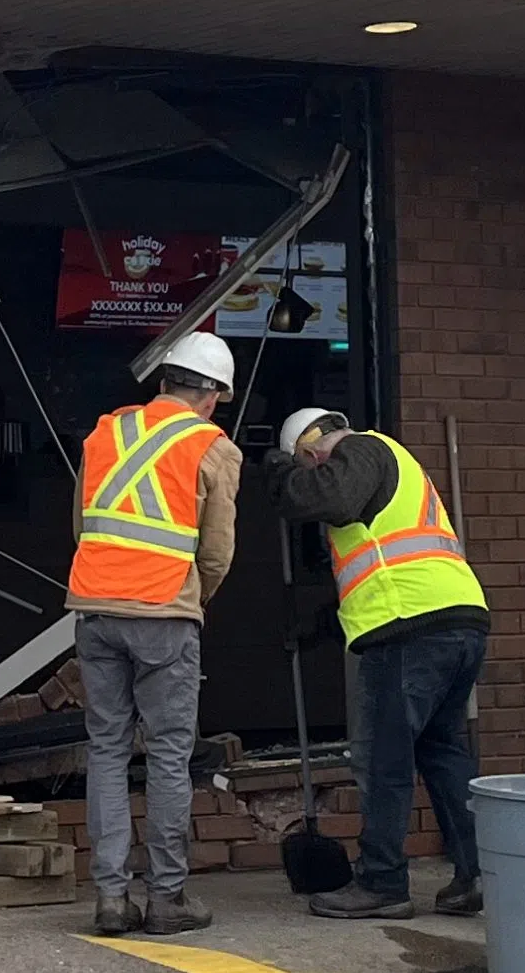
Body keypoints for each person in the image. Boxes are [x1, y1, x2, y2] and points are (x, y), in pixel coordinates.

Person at [276, 408, 489, 921]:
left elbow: (331, 498)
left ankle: (383, 882)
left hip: (408, 626)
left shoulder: (360, 449)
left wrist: (278, 476)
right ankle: (477, 872)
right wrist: (324, 623)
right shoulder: (392, 466)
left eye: (304, 465)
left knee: (383, 759)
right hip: (455, 620)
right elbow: (379, 561)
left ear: (310, 449)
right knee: (443, 752)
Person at [66, 328, 243, 937]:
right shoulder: (211, 446)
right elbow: (216, 553)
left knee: (107, 751)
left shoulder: (105, 432)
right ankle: (167, 897)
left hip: (95, 606)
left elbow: (82, 524)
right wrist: (194, 599)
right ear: (213, 395)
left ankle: (110, 900)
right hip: (164, 612)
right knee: (168, 755)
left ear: (164, 381)